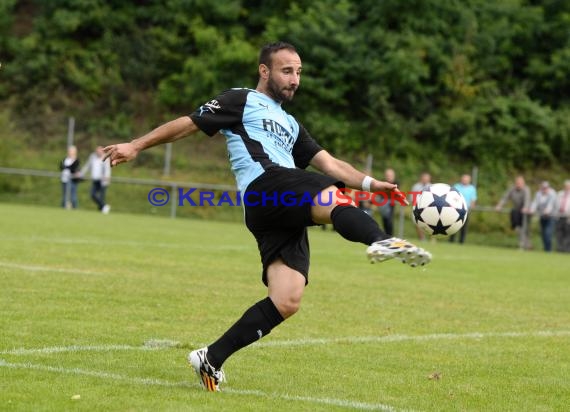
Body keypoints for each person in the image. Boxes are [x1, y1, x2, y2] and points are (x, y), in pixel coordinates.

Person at [103, 42, 432, 392]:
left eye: (299, 72)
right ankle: (381, 240)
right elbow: (189, 124)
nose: (294, 79)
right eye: (286, 71)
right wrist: (136, 145)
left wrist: (372, 184)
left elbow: (331, 164)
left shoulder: (291, 124)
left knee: (288, 298)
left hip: (278, 206)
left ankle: (211, 358)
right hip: (265, 186)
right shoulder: (241, 100)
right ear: (265, 71)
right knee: (333, 198)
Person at [495, 176, 531, 249]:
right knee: (517, 227)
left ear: (523, 183)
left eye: (520, 183)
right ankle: (523, 243)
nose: (518, 185)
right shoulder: (512, 189)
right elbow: (505, 198)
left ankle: (527, 244)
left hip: (526, 212)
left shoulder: (526, 189)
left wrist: (526, 207)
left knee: (526, 229)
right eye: (517, 183)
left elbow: (527, 200)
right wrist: (499, 205)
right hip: (517, 211)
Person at [81, 146, 112, 214]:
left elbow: (107, 169)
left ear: (102, 151)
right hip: (95, 180)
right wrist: (81, 173)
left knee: (101, 197)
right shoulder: (92, 157)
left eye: (99, 151)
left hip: (103, 181)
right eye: (97, 151)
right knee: (92, 194)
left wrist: (107, 177)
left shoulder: (105, 157)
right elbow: (87, 166)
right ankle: (104, 206)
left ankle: (101, 210)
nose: (98, 153)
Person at [528, 181, 557, 252]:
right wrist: (532, 210)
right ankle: (545, 249)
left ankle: (549, 249)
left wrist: (547, 210)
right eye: (543, 188)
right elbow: (535, 203)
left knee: (548, 233)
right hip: (542, 216)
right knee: (543, 233)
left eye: (545, 188)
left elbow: (551, 204)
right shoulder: (538, 193)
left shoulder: (552, 193)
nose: (544, 189)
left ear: (548, 188)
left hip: (551, 216)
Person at [449, 174, 477, 244]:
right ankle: (451, 240)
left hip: (465, 210)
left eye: (466, 179)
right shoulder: (456, 186)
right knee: (453, 225)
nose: (465, 180)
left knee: (464, 226)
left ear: (469, 180)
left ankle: (461, 241)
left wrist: (472, 206)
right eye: (464, 179)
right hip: (455, 209)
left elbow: (473, 199)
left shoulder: (472, 188)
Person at [376, 168, 399, 236]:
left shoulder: (396, 183)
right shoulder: (383, 182)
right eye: (387, 175)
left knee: (389, 220)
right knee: (385, 219)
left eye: (390, 175)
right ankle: (386, 235)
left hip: (390, 203)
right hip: (383, 203)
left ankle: (390, 235)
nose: (388, 176)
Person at [410, 172, 431, 241]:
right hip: (418, 208)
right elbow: (412, 198)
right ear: (421, 178)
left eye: (427, 178)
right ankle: (422, 239)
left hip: (429, 209)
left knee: (431, 224)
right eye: (424, 178)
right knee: (417, 224)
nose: (425, 179)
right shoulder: (416, 186)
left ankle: (432, 240)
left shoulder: (431, 187)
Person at [554, 180, 570, 253]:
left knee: (567, 234)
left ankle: (566, 249)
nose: (567, 187)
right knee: (559, 233)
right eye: (566, 186)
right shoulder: (560, 193)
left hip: (568, 217)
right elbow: (556, 203)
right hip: (559, 216)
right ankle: (560, 248)